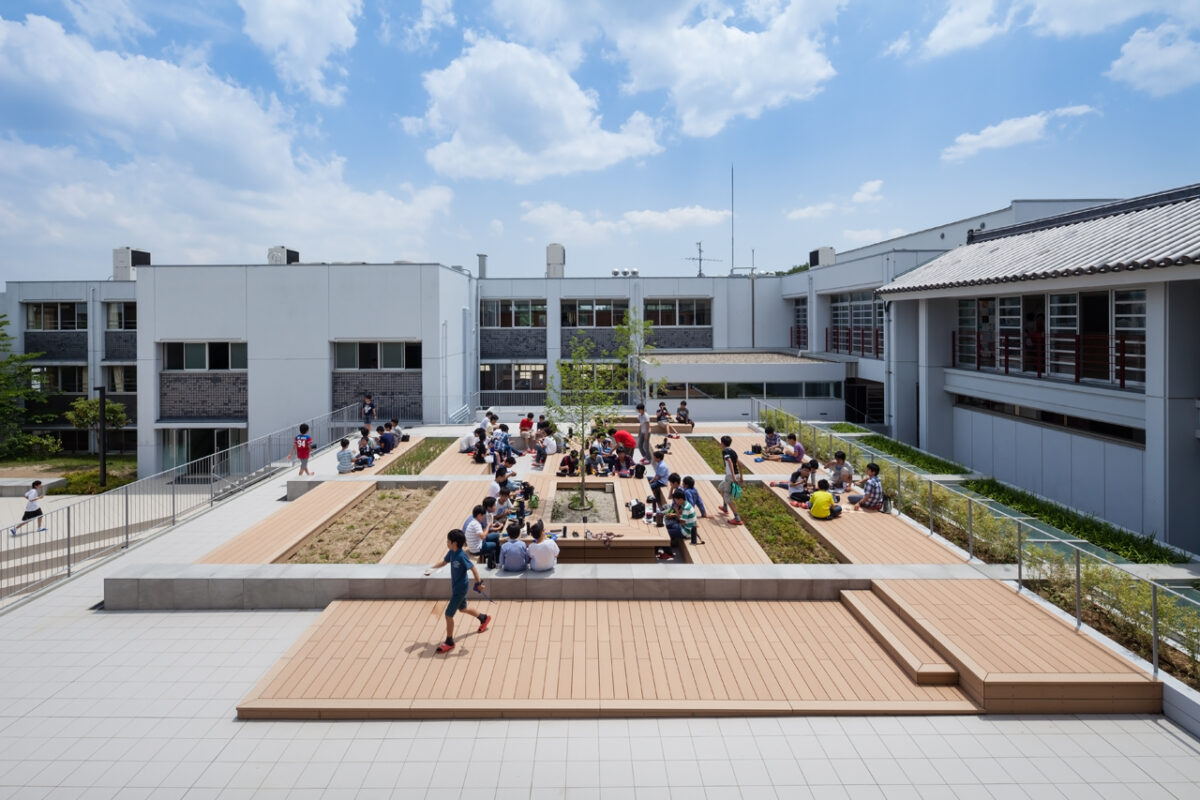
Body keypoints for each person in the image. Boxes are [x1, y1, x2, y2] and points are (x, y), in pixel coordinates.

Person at [424, 530, 492, 654]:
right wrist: (431, 569)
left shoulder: (461, 555)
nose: (446, 543)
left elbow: (473, 569)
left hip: (460, 589)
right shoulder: (451, 552)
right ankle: (484, 618)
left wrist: (479, 583)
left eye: (448, 541)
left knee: (448, 615)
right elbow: (444, 562)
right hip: (456, 587)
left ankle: (449, 641)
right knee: (463, 608)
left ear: (454, 543)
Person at [718, 435, 744, 526]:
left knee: (727, 496)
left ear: (723, 443)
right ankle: (725, 507)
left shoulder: (725, 451)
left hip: (730, 476)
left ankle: (737, 518)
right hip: (735, 475)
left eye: (721, 442)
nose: (720, 444)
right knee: (721, 487)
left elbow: (729, 462)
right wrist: (741, 476)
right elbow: (740, 464)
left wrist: (733, 477)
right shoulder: (733, 451)